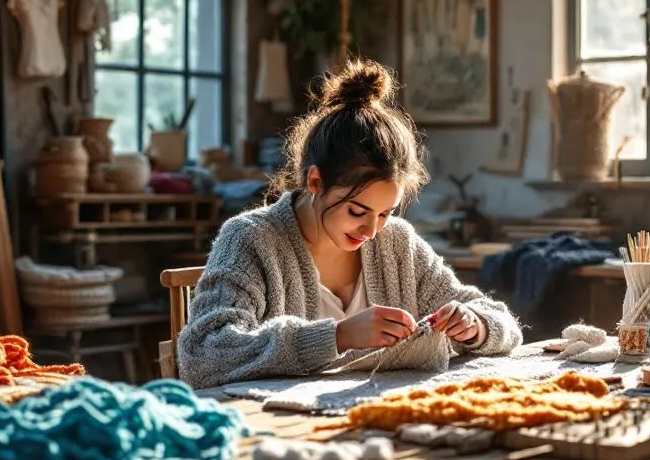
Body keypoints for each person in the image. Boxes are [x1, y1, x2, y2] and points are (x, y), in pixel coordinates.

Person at [177, 59, 522, 390]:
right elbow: (203, 355)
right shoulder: (252, 239)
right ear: (315, 182)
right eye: (357, 211)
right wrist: (337, 336)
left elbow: (503, 324)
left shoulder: (396, 243)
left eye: (385, 213)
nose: (371, 231)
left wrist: (474, 326)